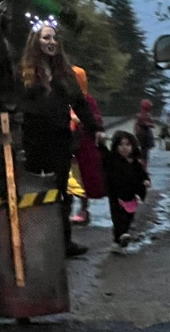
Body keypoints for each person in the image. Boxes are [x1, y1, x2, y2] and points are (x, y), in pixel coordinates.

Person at [19, 20, 102, 258]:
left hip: (59, 138)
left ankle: (64, 242)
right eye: (46, 38)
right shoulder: (24, 72)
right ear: (35, 41)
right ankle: (33, 241)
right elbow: (14, 101)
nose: (51, 42)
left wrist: (94, 127)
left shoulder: (65, 73)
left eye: (54, 38)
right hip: (33, 139)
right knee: (34, 190)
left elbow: (79, 102)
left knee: (60, 192)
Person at [98, 131, 151, 255]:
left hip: (131, 196)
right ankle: (120, 236)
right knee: (117, 218)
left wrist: (146, 181)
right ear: (116, 146)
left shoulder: (135, 164)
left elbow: (143, 175)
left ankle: (119, 240)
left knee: (128, 217)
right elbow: (104, 154)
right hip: (116, 195)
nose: (124, 148)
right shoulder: (112, 160)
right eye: (121, 145)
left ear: (132, 146)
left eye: (127, 144)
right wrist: (101, 142)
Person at [69, 66, 105, 225]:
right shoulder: (64, 98)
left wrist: (78, 120)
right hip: (68, 143)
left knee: (81, 178)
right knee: (68, 178)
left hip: (83, 145)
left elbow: (95, 120)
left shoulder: (87, 100)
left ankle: (83, 210)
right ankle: (67, 211)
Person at [134, 99, 156, 171]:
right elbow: (137, 125)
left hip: (144, 135)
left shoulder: (145, 115)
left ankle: (143, 168)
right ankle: (143, 168)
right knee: (143, 154)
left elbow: (152, 125)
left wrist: (147, 124)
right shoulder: (141, 116)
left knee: (144, 153)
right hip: (143, 135)